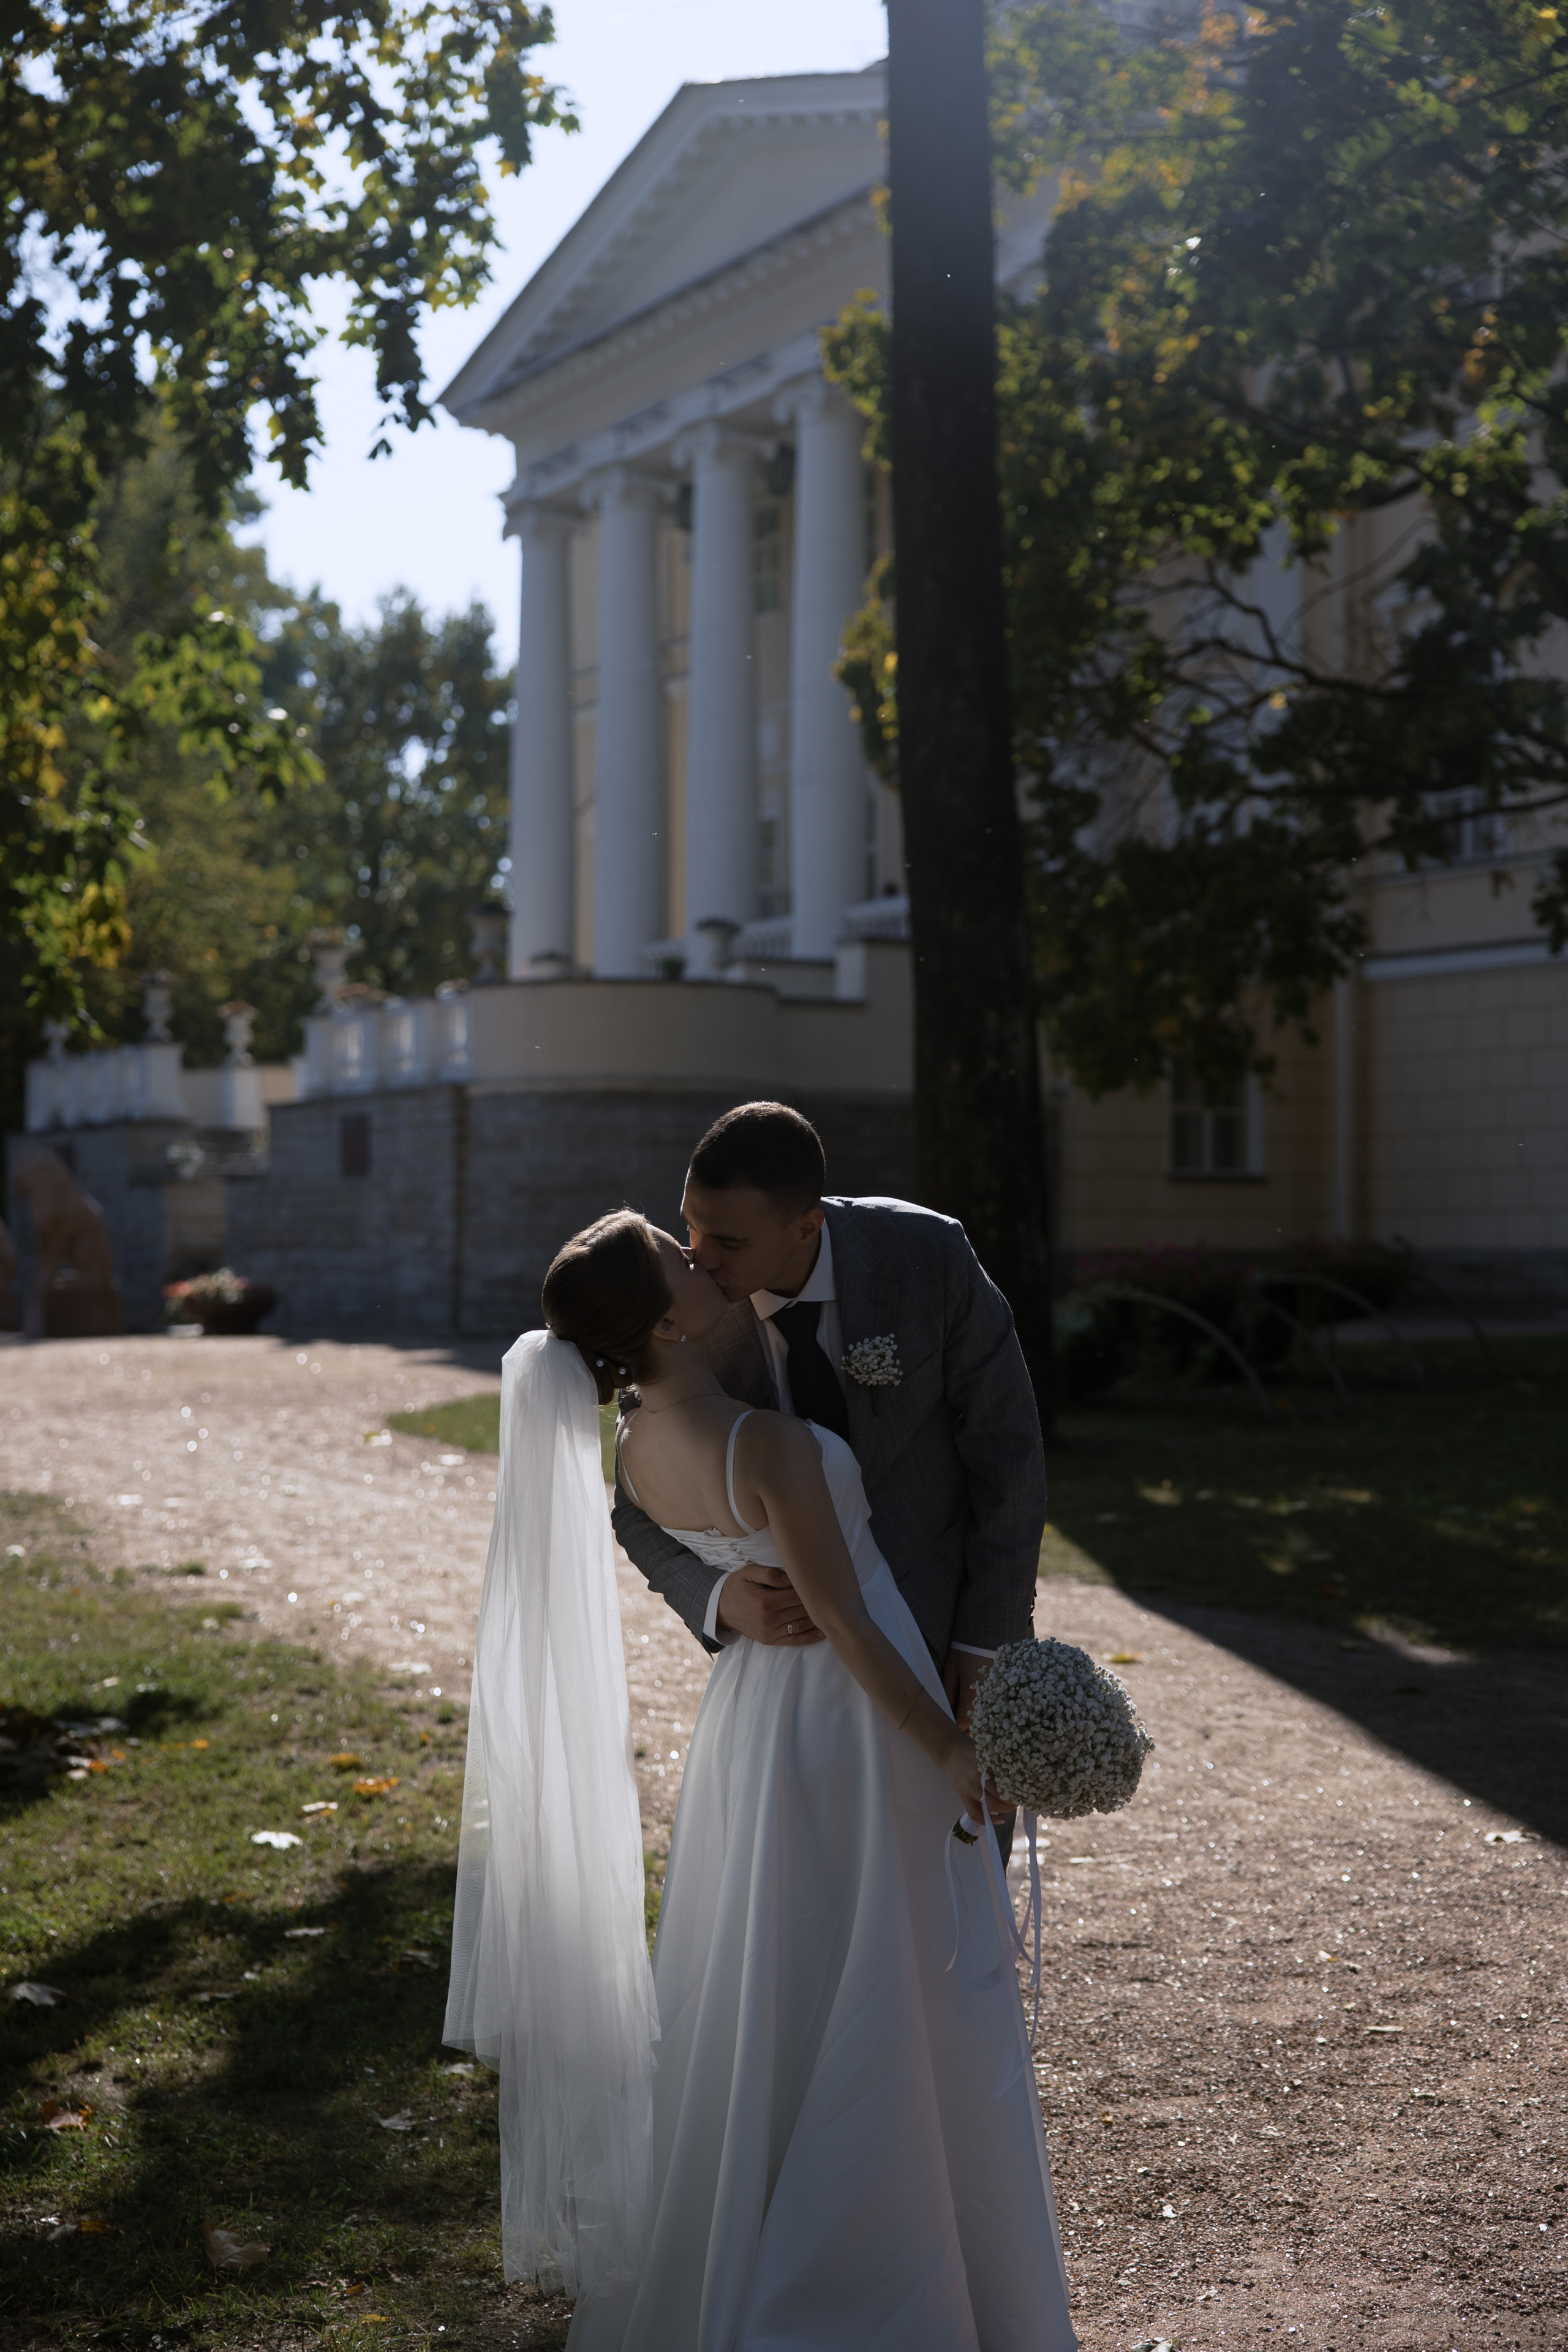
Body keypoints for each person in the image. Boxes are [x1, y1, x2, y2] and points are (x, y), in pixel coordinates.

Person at [447, 1204, 1077, 2351]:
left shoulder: (639, 1444)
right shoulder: (769, 1444)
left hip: (752, 1729)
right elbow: (840, 1617)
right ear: (665, 1329)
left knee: (770, 1976)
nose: (699, 1261)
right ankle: (870, 2279)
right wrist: (943, 1746)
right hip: (854, 1718)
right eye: (678, 1259)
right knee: (894, 1975)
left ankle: (772, 2231)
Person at [613, 1101, 1047, 1791]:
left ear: (806, 1227)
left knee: (953, 1850)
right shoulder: (684, 1309)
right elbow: (630, 1500)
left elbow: (1009, 1453)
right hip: (796, 1666)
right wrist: (716, 1596)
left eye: (726, 1241)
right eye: (688, 1223)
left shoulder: (927, 1256)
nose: (697, 1254)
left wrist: (984, 1636)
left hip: (941, 1623)